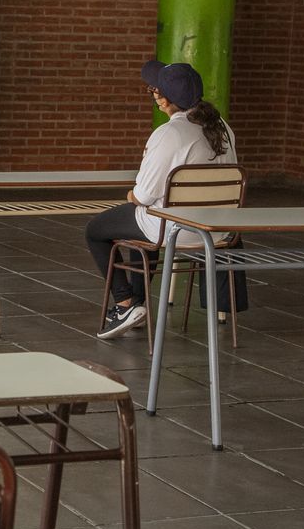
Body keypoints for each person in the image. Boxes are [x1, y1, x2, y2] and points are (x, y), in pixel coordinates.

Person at [86, 60, 239, 339]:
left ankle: (125, 303)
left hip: (176, 229)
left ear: (164, 99)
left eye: (154, 91)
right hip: (218, 230)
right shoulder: (223, 127)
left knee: (97, 229)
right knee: (140, 223)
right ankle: (137, 304)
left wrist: (132, 194)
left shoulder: (169, 133)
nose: (153, 95)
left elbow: (143, 195)